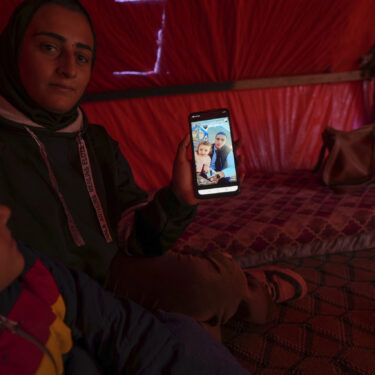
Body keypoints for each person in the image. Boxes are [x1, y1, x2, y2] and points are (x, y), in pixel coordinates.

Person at [0, 0, 307, 343]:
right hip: (42, 300)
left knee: (205, 288)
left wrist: (178, 199)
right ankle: (246, 287)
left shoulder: (96, 141)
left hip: (117, 277)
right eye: (50, 47)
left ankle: (226, 286)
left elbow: (136, 241)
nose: (69, 68)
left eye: (83, 56)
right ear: (12, 50)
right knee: (197, 335)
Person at [0, 204, 251, 374]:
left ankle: (256, 287)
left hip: (113, 268)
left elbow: (117, 322)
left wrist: (178, 200)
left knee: (186, 329)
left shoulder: (30, 267)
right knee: (202, 318)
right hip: (99, 278)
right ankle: (260, 287)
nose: (4, 212)